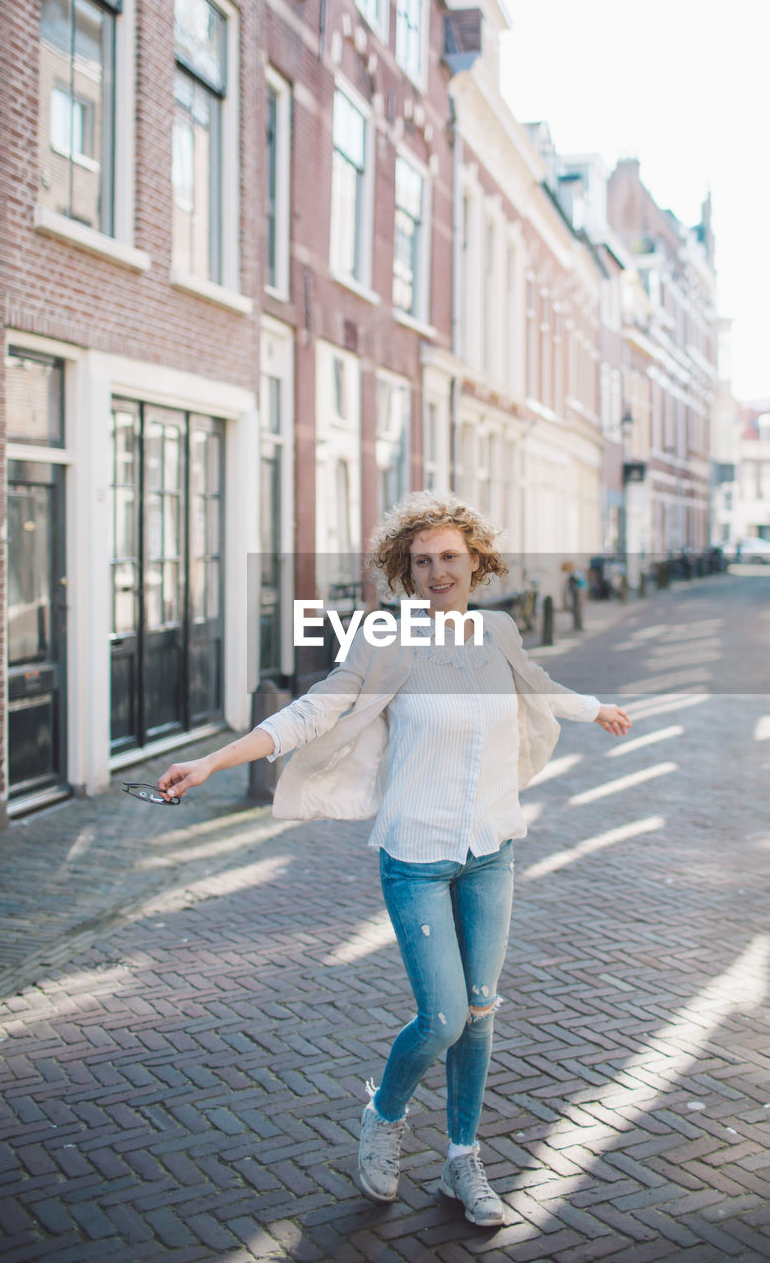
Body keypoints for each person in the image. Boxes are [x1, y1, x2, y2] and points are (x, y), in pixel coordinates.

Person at [157, 492, 631, 1228]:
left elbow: (536, 688)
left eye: (449, 557)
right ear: (404, 573)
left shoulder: (497, 631)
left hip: (491, 850)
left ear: (475, 560)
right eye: (421, 561)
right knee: (440, 1018)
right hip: (414, 854)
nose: (438, 571)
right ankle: (383, 1115)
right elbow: (315, 709)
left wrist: (592, 707)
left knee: (478, 1013)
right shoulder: (386, 639)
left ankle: (461, 1160)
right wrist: (217, 760)